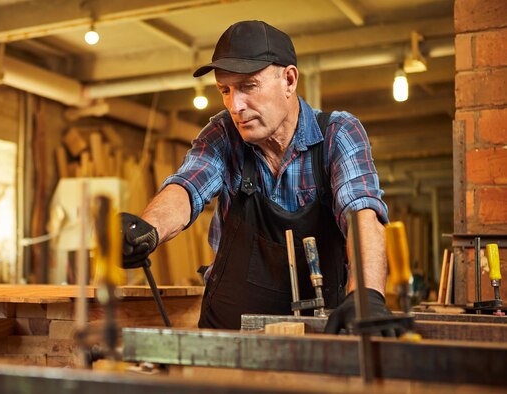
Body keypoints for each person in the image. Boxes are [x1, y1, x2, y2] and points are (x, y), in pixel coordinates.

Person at [121, 20, 392, 333]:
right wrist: (147, 229)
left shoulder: (338, 133)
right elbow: (187, 186)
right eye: (225, 90)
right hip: (226, 336)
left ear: (289, 80)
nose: (235, 106)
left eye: (248, 86)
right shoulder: (224, 134)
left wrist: (366, 295)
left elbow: (362, 215)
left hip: (318, 334)